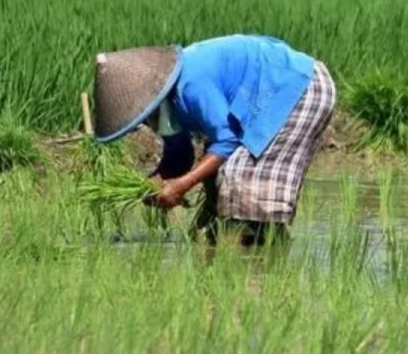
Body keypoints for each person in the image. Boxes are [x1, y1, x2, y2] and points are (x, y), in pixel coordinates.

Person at [92, 35, 336, 245]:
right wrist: (155, 182)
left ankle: (256, 261)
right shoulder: (169, 102)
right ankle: (240, 243)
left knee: (237, 176)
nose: (146, 124)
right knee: (219, 181)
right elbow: (180, 154)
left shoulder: (190, 85)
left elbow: (226, 142)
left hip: (299, 87)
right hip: (278, 92)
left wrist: (182, 185)